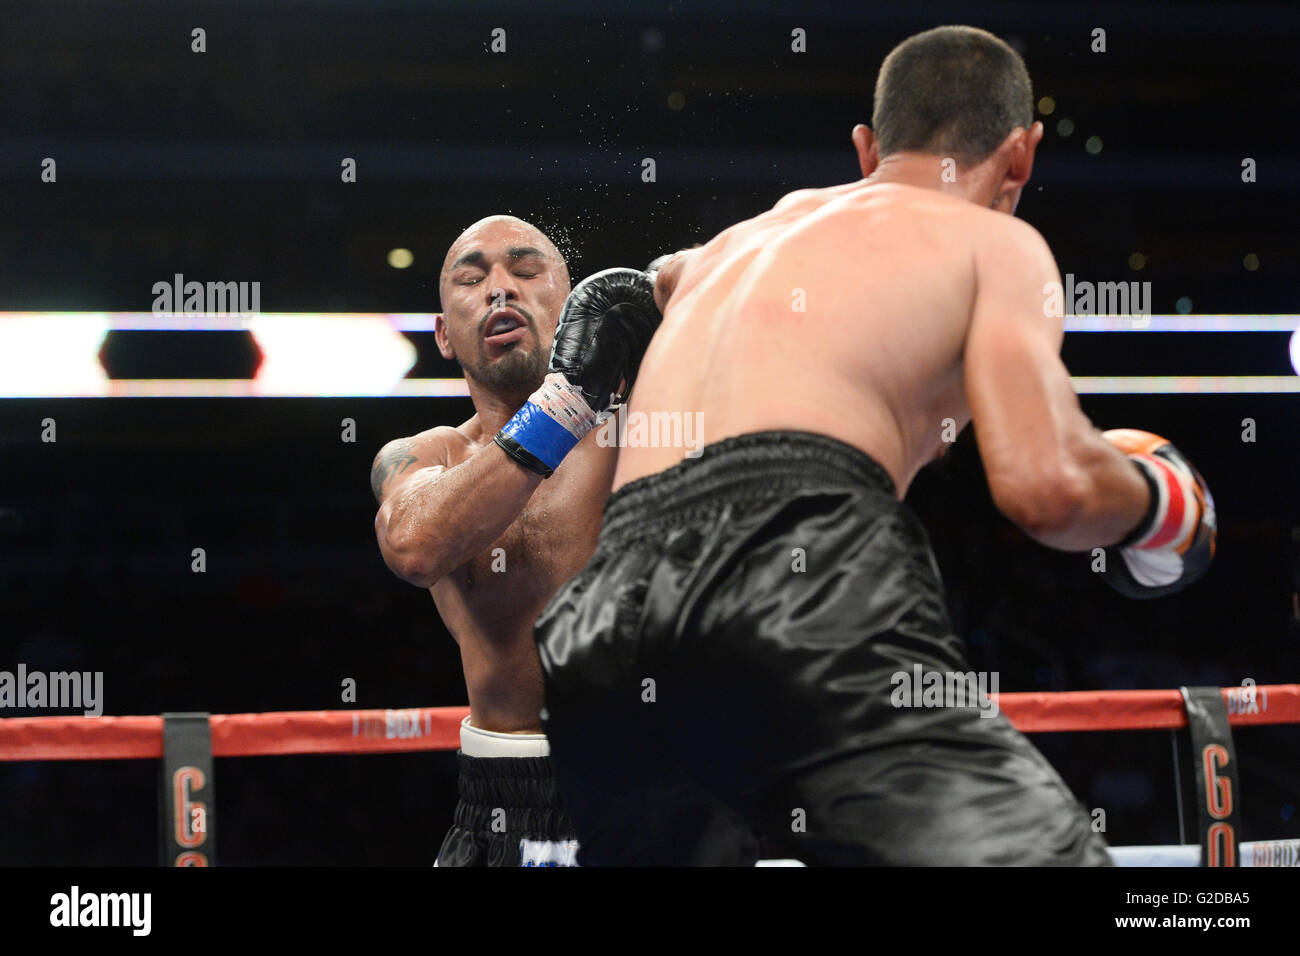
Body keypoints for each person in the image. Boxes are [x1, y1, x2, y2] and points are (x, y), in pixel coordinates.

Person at [533, 25, 1216, 865]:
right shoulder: (997, 243)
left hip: (601, 618)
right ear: (1021, 156)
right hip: (794, 565)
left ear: (867, 148)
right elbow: (1052, 485)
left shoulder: (739, 243)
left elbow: (631, 292)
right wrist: (1164, 502)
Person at [371, 215, 665, 865]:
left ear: (568, 307)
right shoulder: (427, 456)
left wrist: (676, 287)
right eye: (472, 279)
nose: (500, 289)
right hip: (500, 804)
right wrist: (565, 403)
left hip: (652, 789)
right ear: (444, 335)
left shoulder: (646, 431)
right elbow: (415, 544)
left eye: (527, 271)